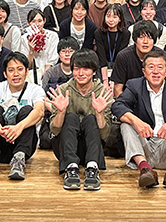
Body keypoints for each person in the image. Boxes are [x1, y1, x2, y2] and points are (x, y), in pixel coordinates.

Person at [112, 49, 166, 192]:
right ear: (144, 71)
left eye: (160, 67)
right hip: (144, 148)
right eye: (151, 67)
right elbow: (117, 106)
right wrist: (136, 121)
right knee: (126, 124)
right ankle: (145, 170)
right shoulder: (134, 85)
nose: (155, 71)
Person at [47, 49, 115, 191]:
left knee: (91, 119)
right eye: (77, 69)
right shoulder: (64, 90)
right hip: (66, 147)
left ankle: (92, 168)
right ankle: (71, 168)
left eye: (86, 69)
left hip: (93, 148)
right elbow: (54, 130)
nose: (81, 73)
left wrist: (99, 113)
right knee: (70, 117)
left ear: (94, 71)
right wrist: (61, 112)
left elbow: (105, 135)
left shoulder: (102, 93)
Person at [0, 52, 46, 180]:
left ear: (26, 71)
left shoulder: (35, 89)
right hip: (0, 142)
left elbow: (40, 111)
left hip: (24, 145)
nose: (16, 74)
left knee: (28, 110)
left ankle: (18, 161)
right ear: (5, 74)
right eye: (11, 70)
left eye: (20, 69)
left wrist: (18, 127)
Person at [112, 20, 157, 96]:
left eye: (149, 38)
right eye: (141, 37)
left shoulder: (161, 58)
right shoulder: (123, 57)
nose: (145, 41)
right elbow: (117, 89)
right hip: (129, 99)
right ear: (135, 40)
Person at [21, 8, 59, 84]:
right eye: (33, 21)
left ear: (44, 21)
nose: (37, 24)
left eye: (39, 21)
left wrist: (43, 78)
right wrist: (31, 51)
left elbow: (51, 62)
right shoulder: (24, 38)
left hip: (49, 74)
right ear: (28, 23)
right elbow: (27, 65)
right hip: (31, 76)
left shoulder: (52, 36)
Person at [94, 3, 130, 84]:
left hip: (119, 65)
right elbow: (102, 57)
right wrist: (105, 80)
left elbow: (121, 56)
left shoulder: (125, 33)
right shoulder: (99, 33)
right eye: (108, 16)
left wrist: (114, 81)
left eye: (115, 17)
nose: (111, 20)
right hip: (102, 65)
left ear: (120, 19)